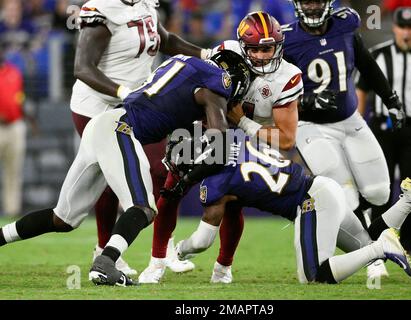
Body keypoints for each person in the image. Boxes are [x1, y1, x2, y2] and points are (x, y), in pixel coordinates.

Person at [0, 50, 252, 286]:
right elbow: (219, 139)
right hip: (120, 130)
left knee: (63, 218)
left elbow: (174, 108)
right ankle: (105, 262)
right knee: (143, 207)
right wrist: (188, 179)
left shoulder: (181, 62)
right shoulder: (217, 82)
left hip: (102, 124)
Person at [138, 11, 304, 284]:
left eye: (267, 48)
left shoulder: (287, 76)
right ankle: (156, 262)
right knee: (171, 188)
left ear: (279, 46)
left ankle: (223, 267)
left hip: (244, 138)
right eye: (254, 49)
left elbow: (286, 139)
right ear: (243, 46)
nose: (261, 55)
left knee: (233, 202)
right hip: (205, 127)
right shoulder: (226, 53)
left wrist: (244, 122)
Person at [71, 0, 214, 276]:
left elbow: (166, 40)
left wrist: (206, 54)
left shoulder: (145, 4)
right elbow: (82, 68)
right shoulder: (102, 9)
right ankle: (104, 250)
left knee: (164, 169)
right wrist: (124, 92)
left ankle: (162, 250)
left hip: (136, 103)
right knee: (110, 181)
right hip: (97, 106)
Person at [169, 134, 411, 284]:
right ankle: (409, 200)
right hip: (323, 186)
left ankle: (383, 246)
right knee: (365, 244)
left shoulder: (215, 183)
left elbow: (202, 241)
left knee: (313, 276)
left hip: (311, 202)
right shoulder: (237, 139)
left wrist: (179, 250)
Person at [281, 0, 405, 278]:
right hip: (310, 126)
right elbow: (275, 93)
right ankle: (373, 257)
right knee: (346, 195)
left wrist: (390, 98)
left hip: (350, 120)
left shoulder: (346, 24)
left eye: (316, 0)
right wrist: (306, 100)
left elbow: (367, 64)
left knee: (378, 191)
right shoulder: (286, 40)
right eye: (305, 1)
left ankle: (374, 241)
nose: (311, 7)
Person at [356, 7, 411, 256]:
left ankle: (409, 242)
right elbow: (362, 88)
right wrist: (360, 124)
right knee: (379, 186)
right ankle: (378, 238)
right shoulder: (379, 54)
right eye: (402, 27)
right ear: (394, 27)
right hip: (382, 127)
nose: (406, 32)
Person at [0, 40, 26, 217]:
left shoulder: (14, 72)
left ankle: (12, 210)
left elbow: (19, 98)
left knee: (14, 171)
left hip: (15, 125)